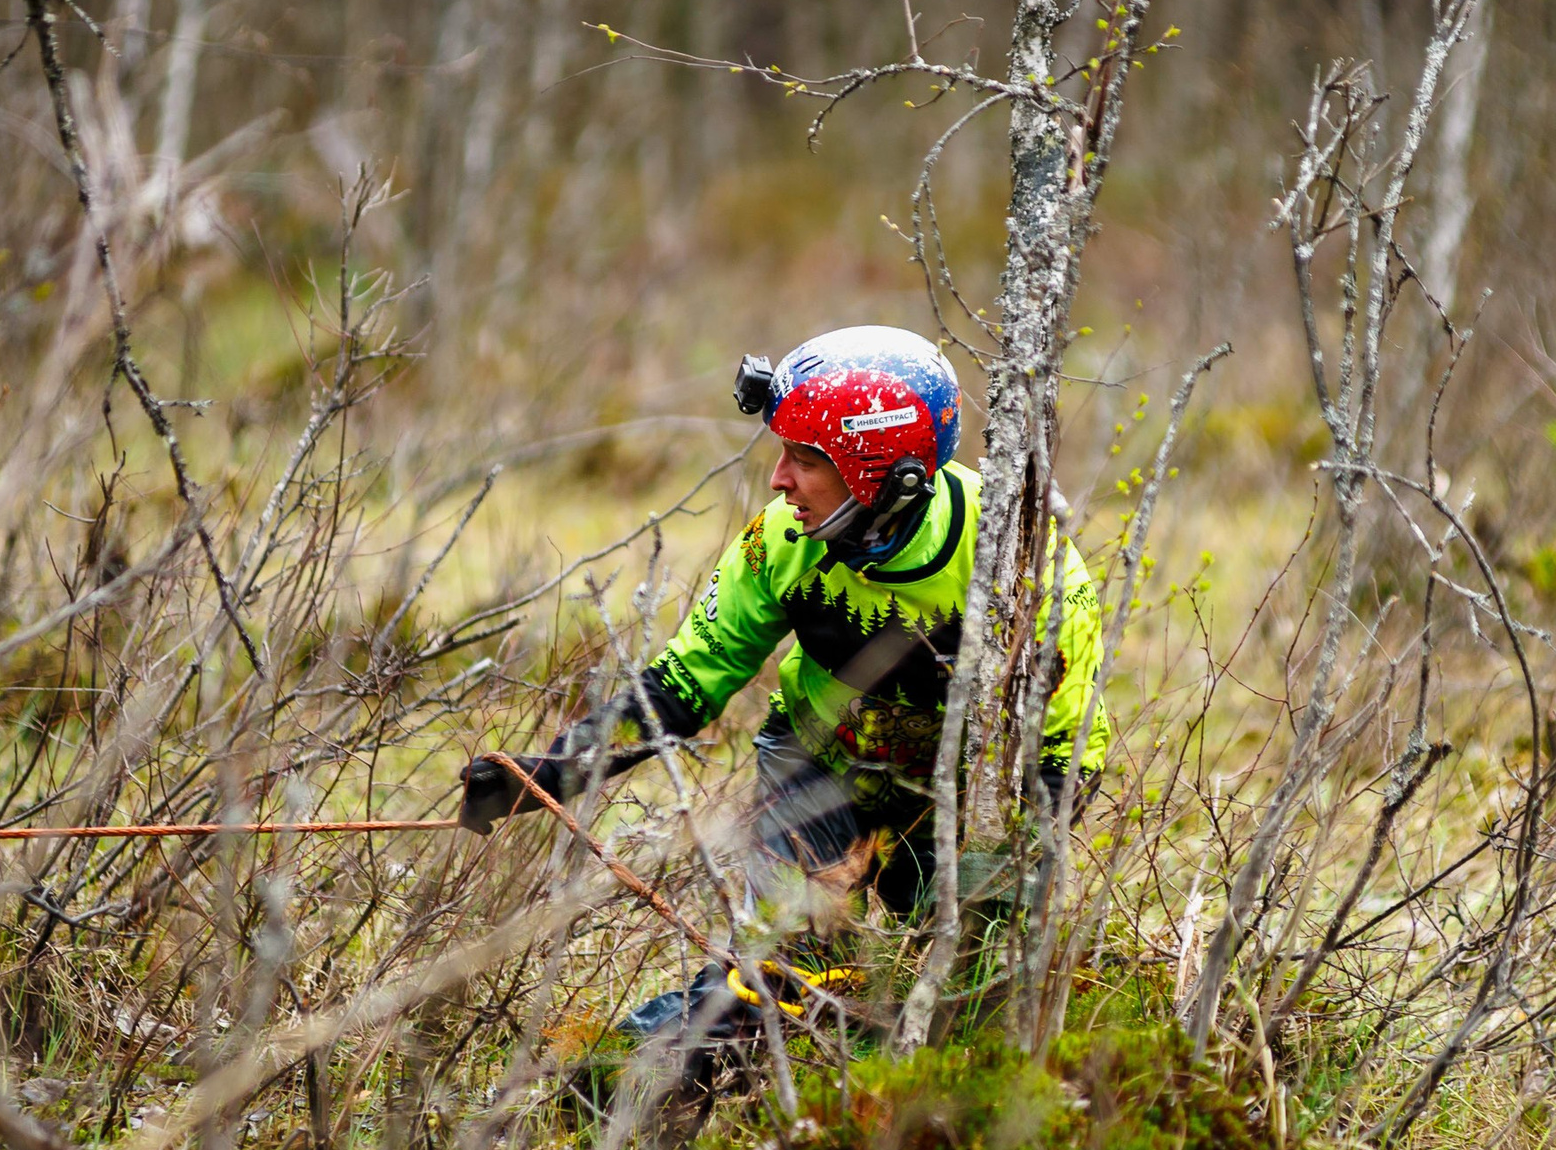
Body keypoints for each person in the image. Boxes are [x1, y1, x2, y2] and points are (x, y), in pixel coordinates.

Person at [457, 325, 1109, 934]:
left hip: (964, 795)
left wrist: (998, 876)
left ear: (884, 471)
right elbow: (682, 686)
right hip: (818, 765)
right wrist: (545, 772)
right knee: (782, 975)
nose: (778, 479)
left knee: (955, 989)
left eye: (805, 458)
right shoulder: (781, 537)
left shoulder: (1023, 560)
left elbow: (1060, 754)